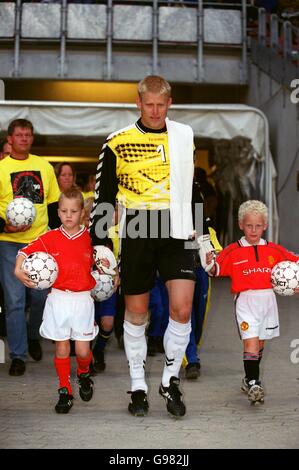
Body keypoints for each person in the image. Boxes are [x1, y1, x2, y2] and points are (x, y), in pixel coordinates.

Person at [89, 75, 214, 418]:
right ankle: (138, 384)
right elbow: (103, 198)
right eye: (150, 104)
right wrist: (100, 246)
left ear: (169, 102)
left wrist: (204, 237)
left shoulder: (184, 136)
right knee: (138, 313)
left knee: (182, 309)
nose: (156, 111)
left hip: (177, 230)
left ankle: (169, 381)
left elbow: (192, 191)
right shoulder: (116, 142)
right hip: (138, 228)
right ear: (138, 102)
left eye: (162, 104)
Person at [202, 200, 299, 404]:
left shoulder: (274, 250)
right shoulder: (232, 250)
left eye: (258, 225)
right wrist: (209, 263)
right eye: (249, 225)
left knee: (260, 342)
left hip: (268, 302)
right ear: (240, 225)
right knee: (251, 342)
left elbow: (295, 263)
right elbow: (216, 270)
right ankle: (255, 382)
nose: (253, 230)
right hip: (245, 301)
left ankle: (248, 379)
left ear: (265, 225)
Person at [15, 188, 98, 414]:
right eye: (64, 211)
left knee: (82, 351)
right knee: (62, 348)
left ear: (82, 213)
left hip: (83, 301)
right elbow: (25, 250)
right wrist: (17, 268)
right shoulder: (50, 238)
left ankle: (83, 374)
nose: (68, 215)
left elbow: (103, 260)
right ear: (58, 213)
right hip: (58, 299)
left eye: (74, 211)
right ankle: (64, 390)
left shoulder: (91, 237)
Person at [0, 118, 60, 376]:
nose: (24, 139)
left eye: (28, 135)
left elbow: (53, 206)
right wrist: (6, 227)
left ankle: (33, 335)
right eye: (19, 135)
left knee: (38, 296)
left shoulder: (44, 167)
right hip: (9, 244)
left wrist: (58, 238)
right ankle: (18, 355)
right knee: (14, 300)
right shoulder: (1, 169)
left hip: (40, 242)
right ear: (10, 139)